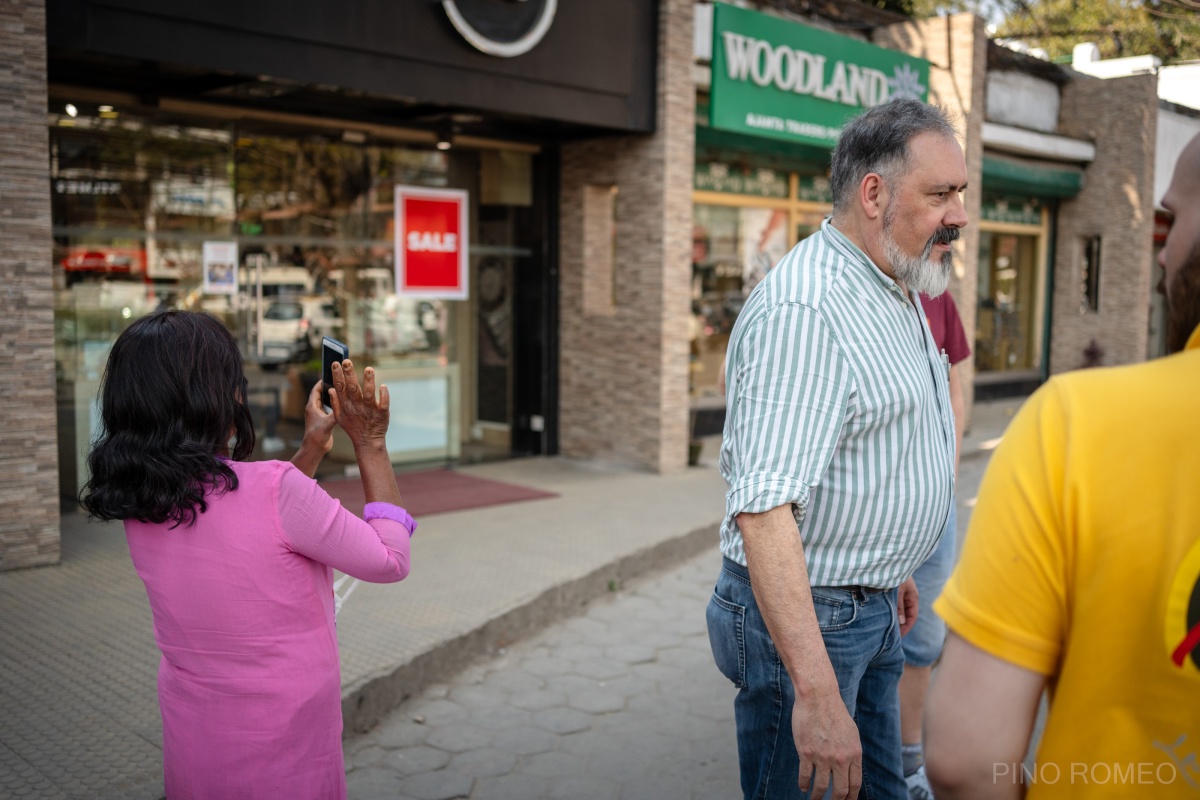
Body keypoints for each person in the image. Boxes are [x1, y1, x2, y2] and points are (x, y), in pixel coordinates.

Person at [924, 132, 1200, 798]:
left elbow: (967, 761)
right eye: (942, 196)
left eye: (1170, 219)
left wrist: (950, 442)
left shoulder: (1077, 426)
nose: (1161, 251)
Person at [707, 97, 966, 800]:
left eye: (960, 193)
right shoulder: (807, 309)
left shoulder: (895, 280)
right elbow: (763, 512)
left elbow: (875, 441)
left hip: (872, 602)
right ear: (874, 193)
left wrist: (891, 560)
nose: (960, 215)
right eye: (940, 193)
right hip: (815, 622)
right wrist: (817, 695)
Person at [79, 310, 415, 800]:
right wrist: (370, 443)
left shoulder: (142, 501)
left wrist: (311, 450)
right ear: (213, 396)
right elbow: (389, 559)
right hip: (285, 745)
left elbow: (252, 523)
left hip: (195, 738)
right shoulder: (275, 490)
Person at [900, 290, 970, 800]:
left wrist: (944, 475)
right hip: (872, 506)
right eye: (940, 200)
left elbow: (953, 388)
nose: (955, 220)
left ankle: (905, 761)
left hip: (934, 504)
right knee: (853, 634)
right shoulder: (847, 289)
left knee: (922, 640)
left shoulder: (938, 296)